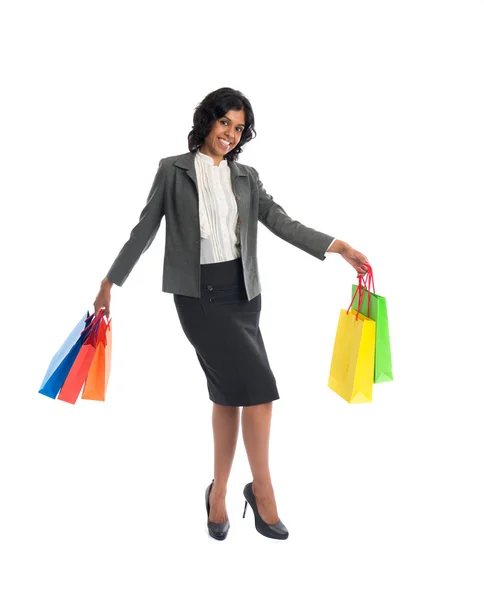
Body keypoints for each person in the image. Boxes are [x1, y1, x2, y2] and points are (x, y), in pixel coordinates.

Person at [93, 87, 369, 541]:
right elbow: (144, 229)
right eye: (225, 123)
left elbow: (281, 221)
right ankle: (262, 492)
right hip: (199, 298)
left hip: (245, 296)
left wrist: (336, 246)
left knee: (229, 396)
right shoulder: (172, 170)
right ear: (207, 121)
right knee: (259, 391)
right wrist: (110, 282)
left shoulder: (247, 177)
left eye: (239, 128)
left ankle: (218, 493)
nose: (231, 134)